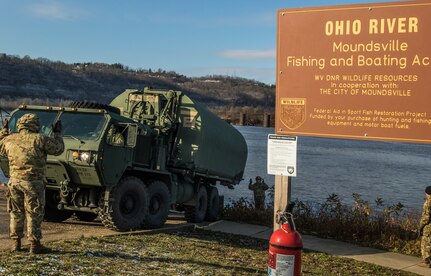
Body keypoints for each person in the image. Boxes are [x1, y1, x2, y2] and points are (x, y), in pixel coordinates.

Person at [0, 113, 64, 254]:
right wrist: (58, 133)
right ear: (35, 125)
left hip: (14, 182)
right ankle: (35, 245)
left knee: (15, 213)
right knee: (34, 213)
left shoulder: (10, 139)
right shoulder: (40, 139)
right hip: (33, 184)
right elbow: (58, 149)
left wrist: (4, 131)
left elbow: (0, 144)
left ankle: (15, 244)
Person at [419, 186, 431, 268]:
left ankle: (426, 262)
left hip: (429, 227)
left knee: (426, 244)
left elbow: (426, 217)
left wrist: (421, 226)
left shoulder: (428, 202)